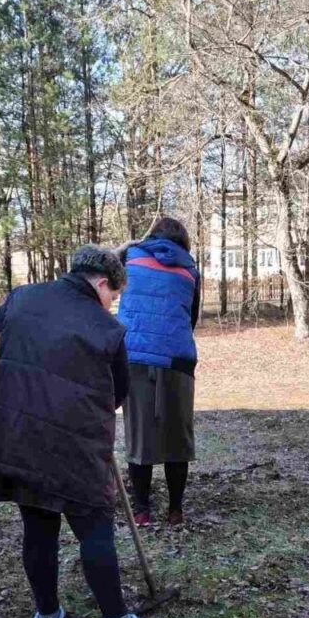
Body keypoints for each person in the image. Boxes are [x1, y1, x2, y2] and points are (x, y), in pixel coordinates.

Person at [0, 245, 167, 618]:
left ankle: (47, 615)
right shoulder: (106, 329)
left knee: (38, 525)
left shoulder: (22, 296)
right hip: (76, 447)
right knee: (94, 527)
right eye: (113, 297)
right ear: (101, 283)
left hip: (19, 434)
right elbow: (118, 393)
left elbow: (3, 324)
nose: (112, 305)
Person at [117, 217, 201, 527]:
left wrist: (126, 245)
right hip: (177, 360)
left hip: (134, 358)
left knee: (140, 436)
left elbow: (100, 267)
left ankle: (141, 511)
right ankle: (175, 511)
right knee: (177, 436)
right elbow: (191, 317)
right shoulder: (190, 269)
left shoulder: (130, 258)